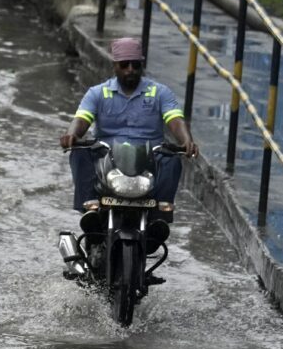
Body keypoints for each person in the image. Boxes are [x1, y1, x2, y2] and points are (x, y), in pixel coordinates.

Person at [59, 37, 198, 253]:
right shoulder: (98, 93)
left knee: (172, 158)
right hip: (108, 157)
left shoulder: (160, 92)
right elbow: (82, 119)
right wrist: (71, 135)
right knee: (79, 152)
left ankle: (160, 213)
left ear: (142, 65)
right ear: (114, 65)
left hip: (148, 158)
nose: (130, 70)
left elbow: (175, 120)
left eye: (135, 64)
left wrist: (186, 141)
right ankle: (90, 208)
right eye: (124, 65)